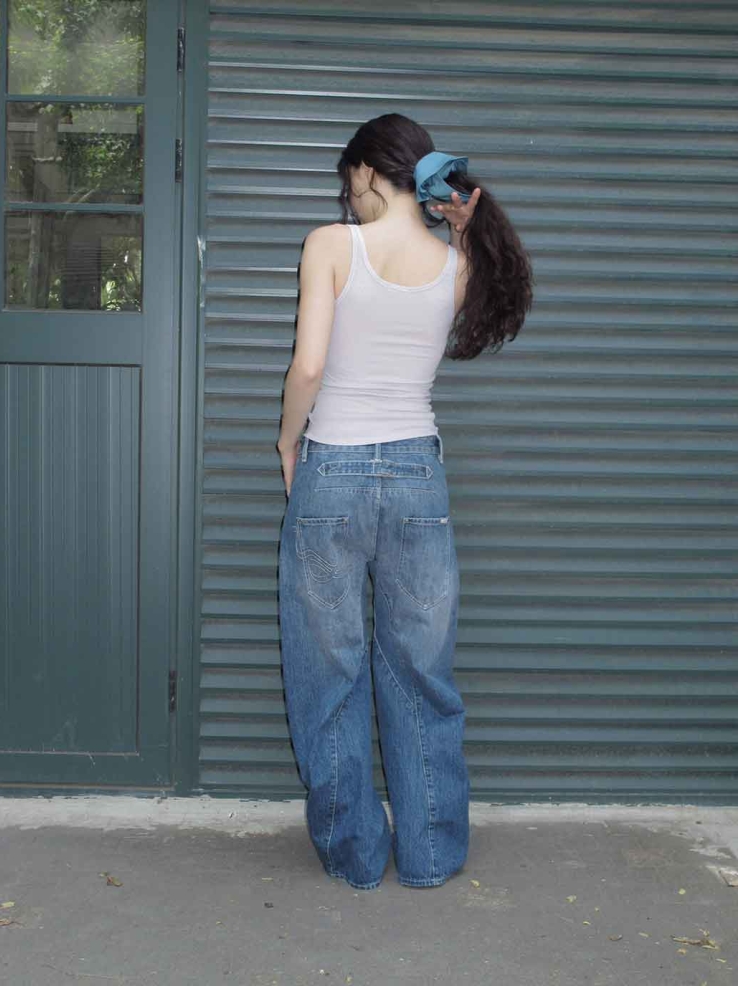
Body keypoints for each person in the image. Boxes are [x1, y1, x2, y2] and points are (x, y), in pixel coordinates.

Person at [276, 113, 533, 890]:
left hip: (334, 470)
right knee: (422, 671)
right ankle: (429, 855)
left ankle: (356, 857)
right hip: (419, 474)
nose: (345, 198)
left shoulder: (331, 245)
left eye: (346, 183)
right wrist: (466, 224)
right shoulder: (457, 262)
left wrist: (288, 442)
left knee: (331, 672)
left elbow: (310, 365)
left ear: (364, 170)